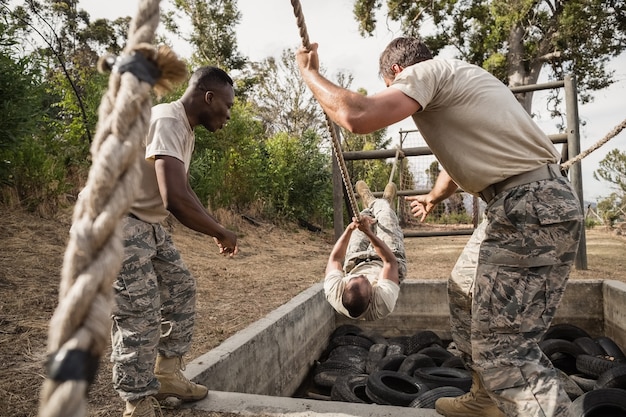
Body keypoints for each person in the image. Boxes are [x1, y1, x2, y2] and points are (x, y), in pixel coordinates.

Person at [296, 37, 583, 417]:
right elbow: (453, 163)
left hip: (530, 205)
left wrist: (309, 73)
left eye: (391, 88)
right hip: (515, 204)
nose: (395, 95)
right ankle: (486, 397)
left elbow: (357, 116)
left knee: (505, 350)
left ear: (397, 72)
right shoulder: (460, 81)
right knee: (463, 288)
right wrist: (433, 197)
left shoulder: (423, 73)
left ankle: (521, 396)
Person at [111, 66, 239, 417]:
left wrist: (217, 225)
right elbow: (175, 200)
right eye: (226, 107)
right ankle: (136, 401)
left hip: (146, 224)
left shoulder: (183, 127)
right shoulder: (168, 120)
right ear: (208, 97)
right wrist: (218, 231)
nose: (227, 116)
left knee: (181, 288)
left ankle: (166, 375)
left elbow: (183, 189)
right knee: (139, 312)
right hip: (118, 222)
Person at [324, 180, 407, 321]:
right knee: (386, 214)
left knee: (362, 217)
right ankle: (382, 202)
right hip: (387, 262)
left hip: (356, 261)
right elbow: (389, 262)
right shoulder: (383, 302)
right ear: (370, 299)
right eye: (366, 281)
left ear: (344, 288)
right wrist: (368, 233)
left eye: (356, 277)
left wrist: (351, 228)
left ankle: (375, 203)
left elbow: (335, 258)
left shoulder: (334, 291)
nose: (363, 276)